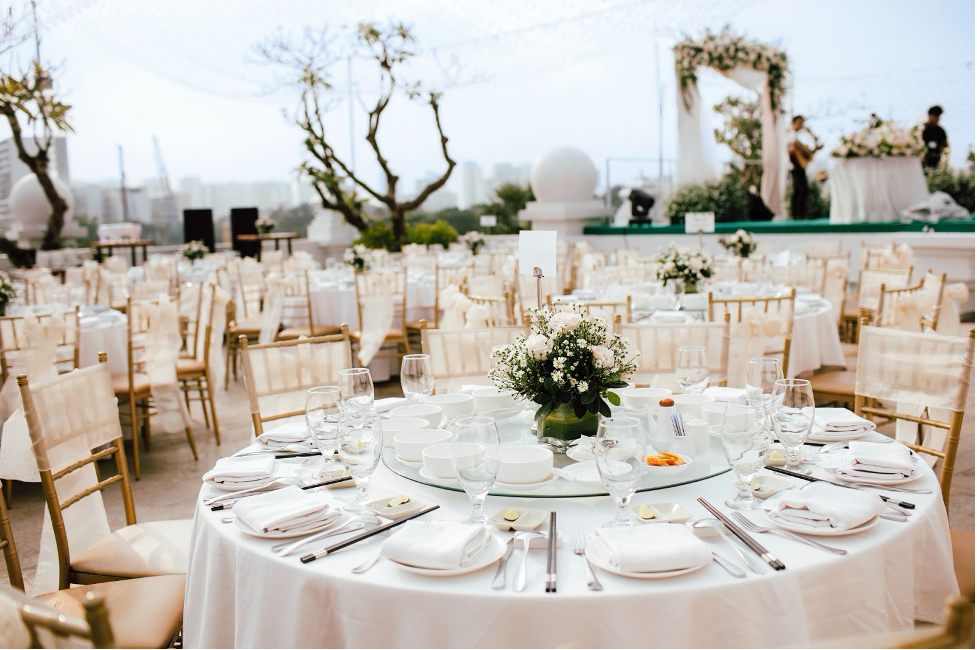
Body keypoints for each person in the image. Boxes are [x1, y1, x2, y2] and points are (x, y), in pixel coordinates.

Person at [787, 115, 820, 219]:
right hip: (795, 166)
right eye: (799, 123)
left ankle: (798, 214)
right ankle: (797, 215)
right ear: (793, 123)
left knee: (800, 190)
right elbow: (792, 148)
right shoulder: (790, 135)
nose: (801, 125)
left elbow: (805, 152)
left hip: (800, 166)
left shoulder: (800, 136)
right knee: (801, 190)